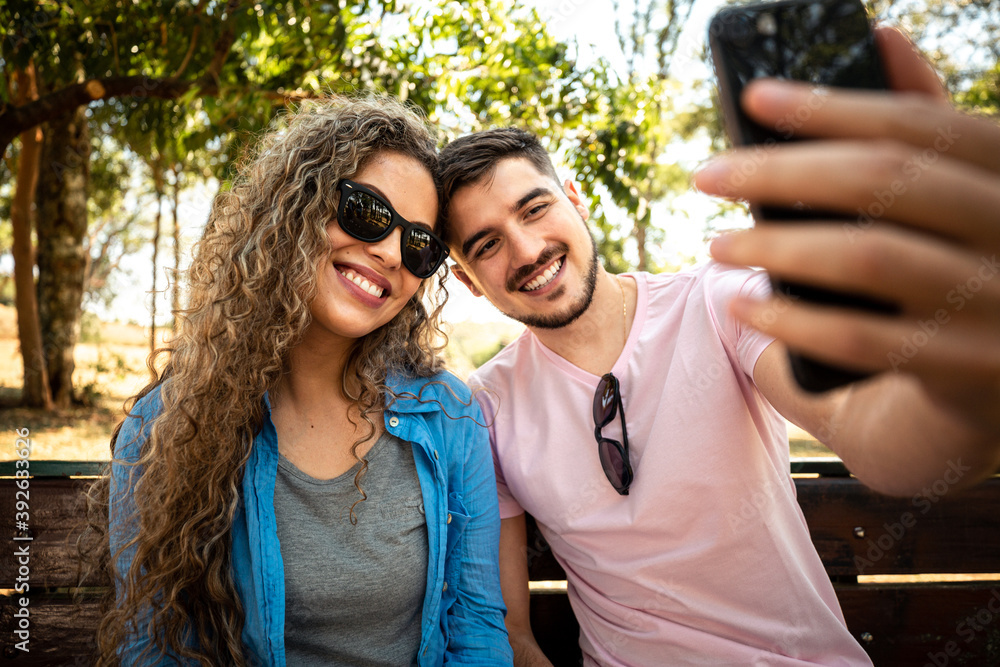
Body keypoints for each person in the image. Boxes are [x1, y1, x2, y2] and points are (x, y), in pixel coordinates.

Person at [433, 26, 1000, 667]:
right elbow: (513, 634)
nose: (528, 250)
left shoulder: (722, 300)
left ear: (576, 200)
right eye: (486, 244)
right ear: (468, 283)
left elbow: (870, 431)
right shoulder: (487, 404)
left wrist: (967, 394)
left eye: (534, 209)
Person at [89, 96, 513, 666]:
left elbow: (478, 624)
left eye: (419, 246)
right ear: (295, 209)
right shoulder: (169, 426)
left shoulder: (449, 416)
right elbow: (152, 647)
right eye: (367, 212)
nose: (390, 252)